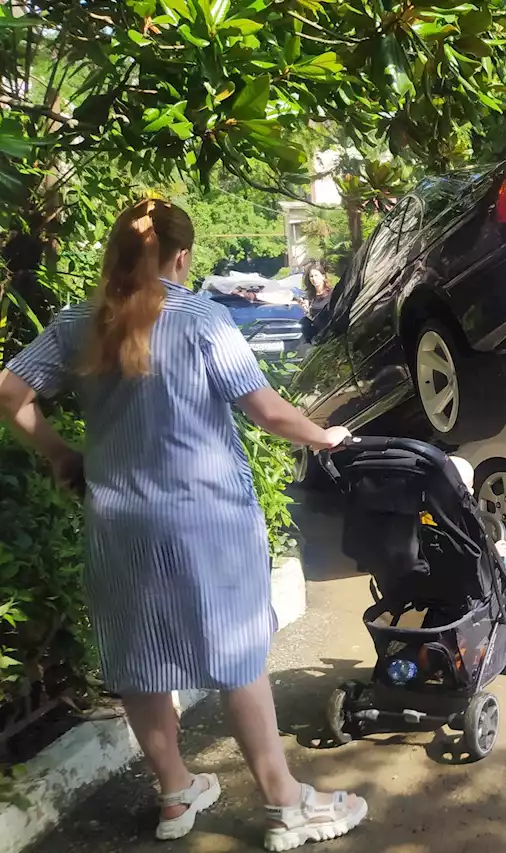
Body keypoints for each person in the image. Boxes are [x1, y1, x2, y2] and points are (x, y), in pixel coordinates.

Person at [0, 200, 367, 851]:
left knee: (139, 659)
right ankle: (286, 804)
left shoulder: (79, 322)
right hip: (208, 521)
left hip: (120, 524)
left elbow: (9, 391)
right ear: (180, 256)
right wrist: (325, 435)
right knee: (237, 657)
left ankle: (175, 792)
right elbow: (268, 410)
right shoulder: (201, 318)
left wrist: (61, 455)